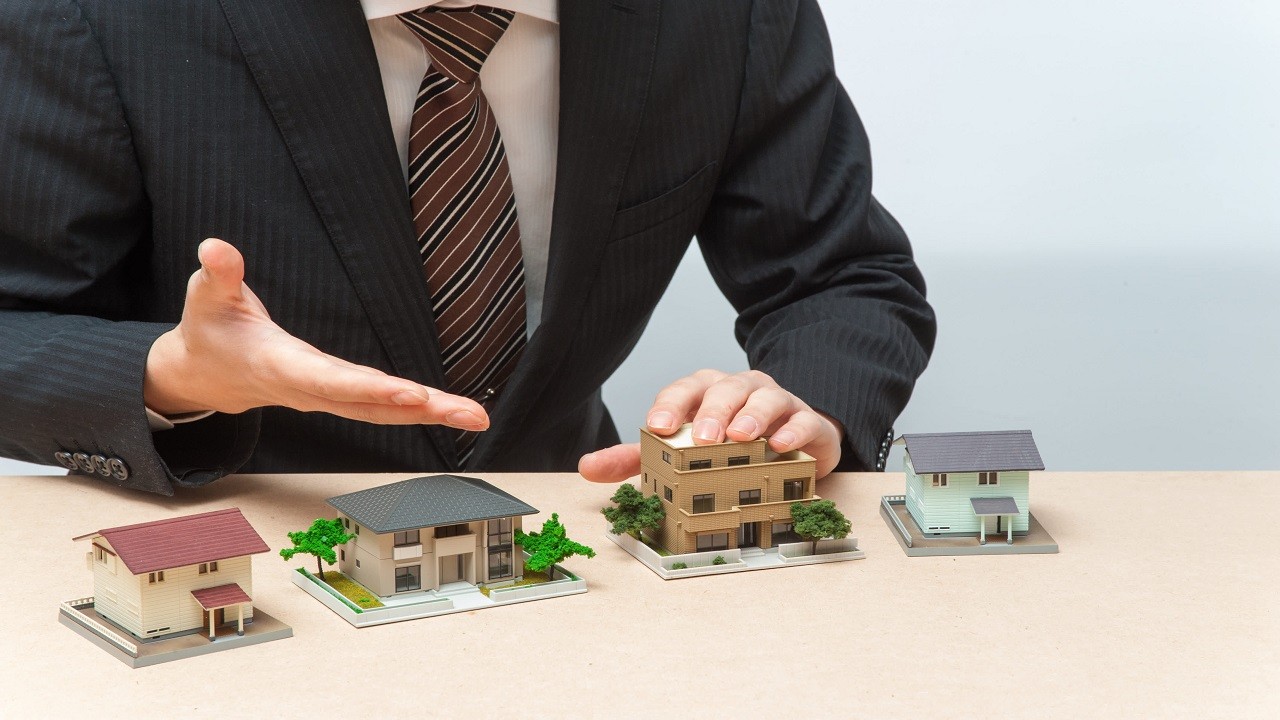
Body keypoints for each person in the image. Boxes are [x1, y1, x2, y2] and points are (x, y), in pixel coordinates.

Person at [0, 0, 936, 496]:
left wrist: (803, 406)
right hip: (234, 542)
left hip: (567, 541)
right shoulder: (90, 14)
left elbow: (841, 274)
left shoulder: (723, 17)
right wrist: (171, 376)